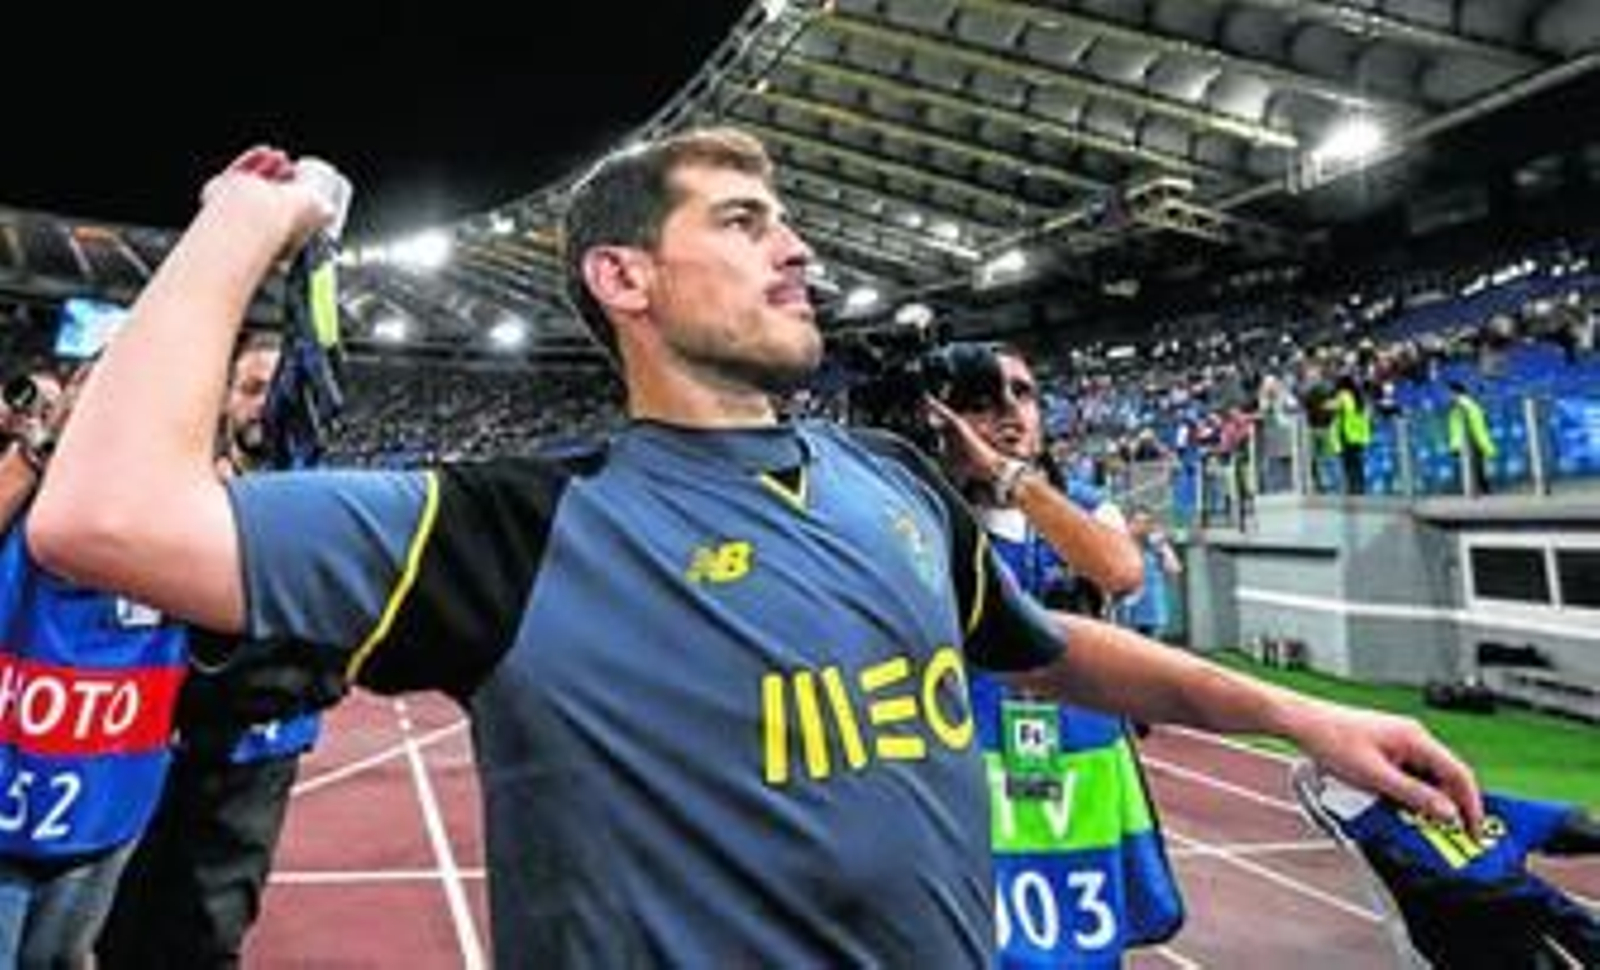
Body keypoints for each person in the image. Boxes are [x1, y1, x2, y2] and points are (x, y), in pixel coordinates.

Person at [32, 129, 1482, 966]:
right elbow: (105, 515)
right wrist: (242, 221)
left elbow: (1047, 647)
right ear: (625, 279)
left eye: (788, 220)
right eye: (743, 221)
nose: (798, 249)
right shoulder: (519, 517)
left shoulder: (895, 484)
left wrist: (1303, 712)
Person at [929, 344, 1185, 965]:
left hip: (1079, 779)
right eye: (983, 402)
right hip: (965, 775)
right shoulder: (921, 512)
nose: (1011, 412)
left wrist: (1007, 476)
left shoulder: (1087, 506)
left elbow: (1121, 572)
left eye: (1024, 393)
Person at [97, 330, 346, 969]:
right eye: (251, 388)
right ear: (225, 399)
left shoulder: (328, 507)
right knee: (118, 931)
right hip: (148, 751)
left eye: (276, 389)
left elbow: (335, 656)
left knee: (206, 937)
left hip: (251, 759)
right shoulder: (181, 497)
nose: (263, 405)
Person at [0, 360, 190, 966]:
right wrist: (41, 448)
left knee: (62, 959)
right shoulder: (18, 483)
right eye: (97, 389)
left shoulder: (179, 512)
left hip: (105, 811)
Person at [1122, 507, 1183, 641]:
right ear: (1129, 524)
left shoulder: (1156, 546)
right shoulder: (1122, 544)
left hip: (1154, 612)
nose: (1141, 527)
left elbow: (1175, 568)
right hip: (1129, 611)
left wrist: (1163, 548)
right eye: (1137, 522)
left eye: (1146, 523)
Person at [1446, 379, 1497, 497]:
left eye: (1449, 393)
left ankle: (1479, 490)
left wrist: (1456, 444)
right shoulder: (1470, 404)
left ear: (1455, 392)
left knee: (1474, 467)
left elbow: (1463, 425)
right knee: (1477, 467)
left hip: (1469, 440)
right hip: (1473, 440)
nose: (1448, 396)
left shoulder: (1461, 405)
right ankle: (1482, 489)